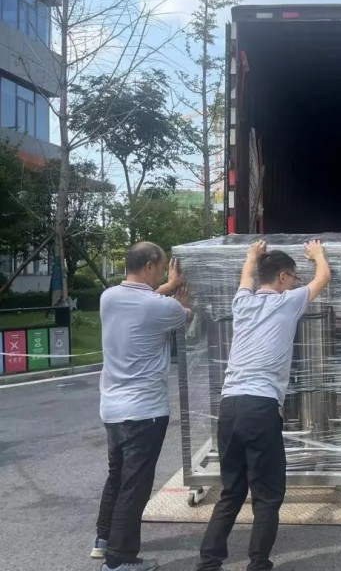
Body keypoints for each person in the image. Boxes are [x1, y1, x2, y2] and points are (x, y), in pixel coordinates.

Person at [196, 239, 331, 571]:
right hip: (261, 408)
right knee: (267, 494)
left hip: (229, 407)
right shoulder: (288, 302)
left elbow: (246, 277)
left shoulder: (243, 302)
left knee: (231, 490)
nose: (297, 283)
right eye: (294, 277)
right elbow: (324, 278)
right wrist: (318, 255)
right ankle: (258, 564)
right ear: (283, 277)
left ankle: (209, 563)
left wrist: (251, 256)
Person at [92, 242, 193, 571]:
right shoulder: (162, 308)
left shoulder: (108, 297)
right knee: (134, 486)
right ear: (149, 265)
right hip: (145, 412)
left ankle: (104, 539)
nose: (163, 274)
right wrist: (181, 295)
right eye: (162, 268)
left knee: (117, 477)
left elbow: (147, 300)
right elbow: (184, 314)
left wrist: (170, 285)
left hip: (112, 409)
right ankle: (119, 561)